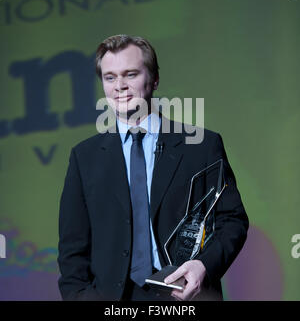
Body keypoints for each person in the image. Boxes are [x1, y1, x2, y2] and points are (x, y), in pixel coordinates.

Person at [57, 34, 249, 301]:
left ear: (154, 79)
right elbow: (72, 247)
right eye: (110, 77)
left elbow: (231, 221)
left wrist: (203, 266)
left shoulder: (202, 146)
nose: (119, 86)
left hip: (184, 294)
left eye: (131, 74)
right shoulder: (84, 157)